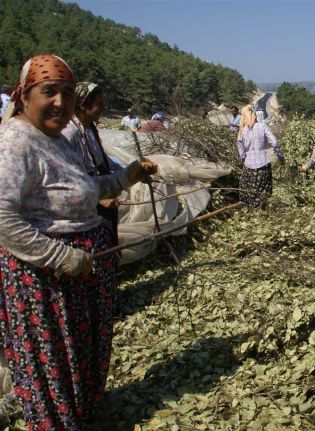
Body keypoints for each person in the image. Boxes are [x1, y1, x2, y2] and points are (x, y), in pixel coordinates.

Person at [0, 54, 158, 429]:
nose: (60, 102)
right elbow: (3, 217)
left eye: (67, 93)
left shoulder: (62, 137)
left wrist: (128, 176)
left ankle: (82, 415)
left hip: (81, 270)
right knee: (54, 362)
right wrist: (59, 256)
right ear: (24, 96)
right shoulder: (15, 143)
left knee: (84, 355)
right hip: (44, 280)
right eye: (49, 92)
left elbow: (84, 189)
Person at [62, 82, 122, 242]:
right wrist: (98, 198)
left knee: (109, 239)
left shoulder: (89, 129)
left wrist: (128, 171)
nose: (103, 108)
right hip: (86, 199)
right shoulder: (69, 132)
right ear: (82, 106)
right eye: (99, 104)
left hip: (99, 189)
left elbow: (102, 160)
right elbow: (67, 174)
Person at [237, 104, 284, 208]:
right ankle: (262, 212)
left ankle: (250, 211)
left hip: (248, 167)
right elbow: (275, 143)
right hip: (263, 165)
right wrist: (281, 158)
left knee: (249, 192)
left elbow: (240, 147)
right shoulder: (263, 127)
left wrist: (244, 158)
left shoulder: (242, 130)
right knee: (263, 193)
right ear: (256, 117)